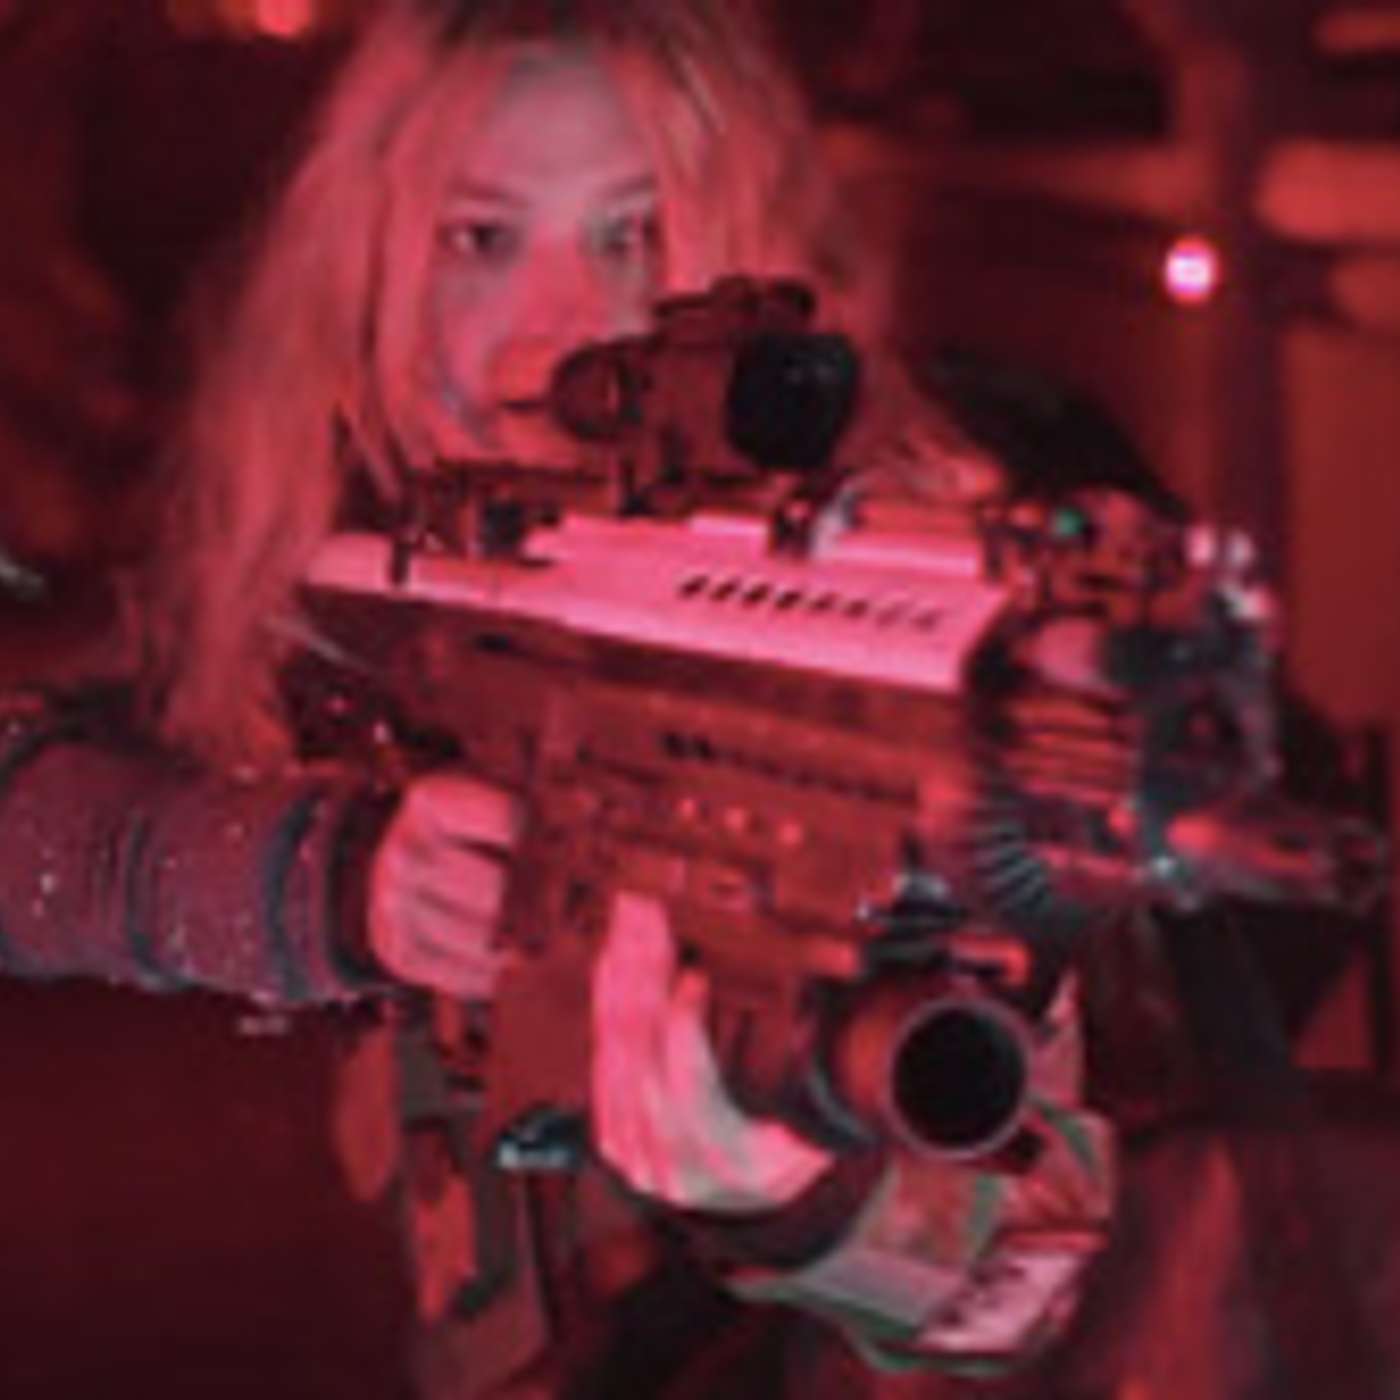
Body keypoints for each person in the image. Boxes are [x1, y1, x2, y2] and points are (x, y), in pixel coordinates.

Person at [0, 0, 1113, 1394]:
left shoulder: (873, 643)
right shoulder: (333, 564)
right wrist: (331, 881)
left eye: (630, 235)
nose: (563, 324)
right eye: (480, 239)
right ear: (369, 269)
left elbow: (1036, 1272)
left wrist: (811, 1206)